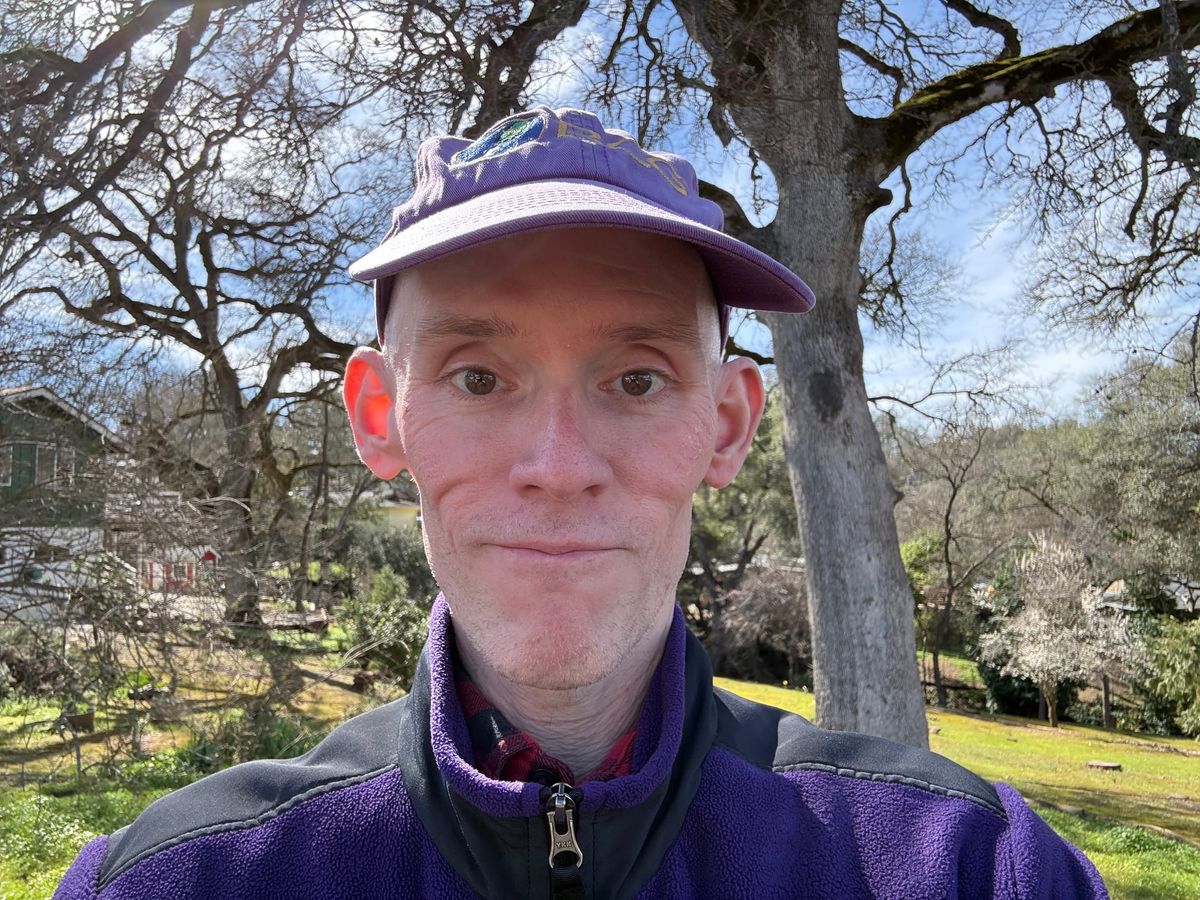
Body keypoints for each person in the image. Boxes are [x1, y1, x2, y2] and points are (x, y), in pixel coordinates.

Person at [54, 106, 1107, 899]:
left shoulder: (973, 867)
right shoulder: (183, 879)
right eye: (478, 377)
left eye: (637, 379)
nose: (558, 465)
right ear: (380, 417)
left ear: (730, 423)